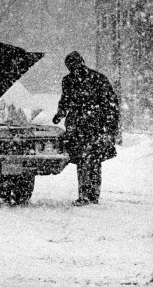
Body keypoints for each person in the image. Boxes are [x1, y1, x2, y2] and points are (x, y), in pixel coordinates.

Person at [52, 51, 119, 206]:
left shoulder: (97, 79)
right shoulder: (70, 80)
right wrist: (60, 114)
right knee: (87, 160)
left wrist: (109, 128)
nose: (73, 68)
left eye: (75, 64)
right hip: (79, 127)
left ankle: (89, 195)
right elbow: (65, 100)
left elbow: (110, 105)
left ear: (81, 62)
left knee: (90, 160)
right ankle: (89, 194)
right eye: (70, 66)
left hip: (93, 127)